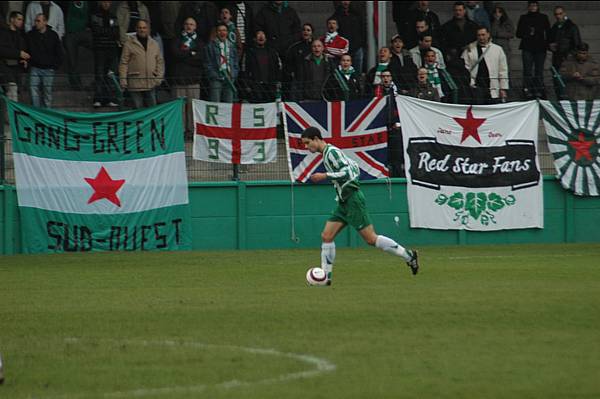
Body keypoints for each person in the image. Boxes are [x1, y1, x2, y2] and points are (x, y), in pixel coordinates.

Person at [300, 126, 420, 286]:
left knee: (371, 239)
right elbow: (355, 167)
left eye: (308, 143)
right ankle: (326, 278)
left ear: (316, 138)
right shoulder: (328, 154)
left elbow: (350, 172)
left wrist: (325, 175)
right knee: (326, 236)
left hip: (353, 200)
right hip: (344, 202)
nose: (307, 147)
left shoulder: (331, 153)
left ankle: (409, 256)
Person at [119, 19, 164, 108]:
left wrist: (159, 77)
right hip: (135, 81)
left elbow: (160, 61)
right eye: (139, 27)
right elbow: (124, 63)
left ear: (148, 29)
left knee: (153, 108)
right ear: (136, 29)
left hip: (151, 81)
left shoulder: (154, 43)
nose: (142, 30)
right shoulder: (129, 44)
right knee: (138, 108)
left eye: (144, 28)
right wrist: (123, 79)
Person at [170, 17, 204, 135]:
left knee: (192, 109)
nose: (189, 26)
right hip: (179, 79)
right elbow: (175, 55)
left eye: (191, 24)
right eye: (187, 24)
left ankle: (192, 132)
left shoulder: (199, 41)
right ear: (183, 26)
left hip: (193, 80)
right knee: (180, 109)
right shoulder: (176, 39)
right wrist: (191, 53)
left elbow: (200, 58)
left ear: (195, 27)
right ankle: (181, 131)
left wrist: (185, 55)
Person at [462, 26, 508, 104]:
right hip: (476, 86)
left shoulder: (497, 49)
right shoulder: (470, 49)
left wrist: (503, 88)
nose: (481, 37)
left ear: (488, 34)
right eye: (479, 35)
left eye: (483, 35)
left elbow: (503, 70)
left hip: (493, 86)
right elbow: (466, 67)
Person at [26, 13, 63, 108]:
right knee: (33, 91)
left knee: (47, 93)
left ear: (45, 22)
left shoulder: (53, 35)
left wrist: (55, 66)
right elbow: (27, 50)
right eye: (35, 21)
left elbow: (59, 51)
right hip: (35, 67)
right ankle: (36, 113)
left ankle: (46, 114)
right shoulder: (30, 35)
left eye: (38, 21)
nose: (36, 23)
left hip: (48, 68)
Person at [516, 0, 550, 99]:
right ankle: (527, 90)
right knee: (527, 70)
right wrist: (527, 32)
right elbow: (518, 33)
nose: (533, 7)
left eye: (535, 5)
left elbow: (548, 32)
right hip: (527, 47)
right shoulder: (524, 18)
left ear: (538, 6)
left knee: (539, 70)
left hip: (540, 47)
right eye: (531, 5)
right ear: (528, 7)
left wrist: (548, 44)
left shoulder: (543, 17)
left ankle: (539, 90)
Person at [90, 0, 119, 108]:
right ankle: (98, 98)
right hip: (99, 49)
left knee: (109, 74)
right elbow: (96, 31)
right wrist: (109, 31)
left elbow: (116, 32)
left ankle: (109, 99)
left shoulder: (113, 16)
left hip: (111, 49)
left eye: (108, 2)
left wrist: (105, 31)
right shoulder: (95, 15)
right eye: (104, 2)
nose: (106, 4)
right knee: (99, 74)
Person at [242, 30, 281, 103]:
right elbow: (244, 70)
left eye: (263, 34)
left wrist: (277, 82)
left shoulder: (272, 52)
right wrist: (247, 85)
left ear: (265, 38)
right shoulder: (249, 53)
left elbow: (278, 68)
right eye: (258, 35)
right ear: (255, 39)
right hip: (255, 86)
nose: (261, 36)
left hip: (270, 86)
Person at [205, 22, 239, 102]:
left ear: (227, 32)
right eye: (219, 30)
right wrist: (214, 75)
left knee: (228, 103)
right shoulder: (210, 46)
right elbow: (207, 63)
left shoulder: (232, 46)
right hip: (216, 78)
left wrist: (233, 74)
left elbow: (235, 63)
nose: (222, 32)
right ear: (216, 33)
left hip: (230, 78)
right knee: (215, 102)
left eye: (224, 30)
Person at [0, 11, 29, 102]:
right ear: (12, 19)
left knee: (14, 92)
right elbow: (2, 50)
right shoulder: (3, 33)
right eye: (19, 19)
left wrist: (23, 59)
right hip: (5, 67)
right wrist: (18, 54)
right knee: (12, 90)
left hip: (16, 68)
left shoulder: (20, 35)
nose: (21, 22)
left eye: (22, 20)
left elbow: (22, 50)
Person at [63, 1, 92, 89]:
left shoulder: (88, 4)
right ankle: (75, 83)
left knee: (99, 48)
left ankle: (99, 80)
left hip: (84, 32)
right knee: (72, 60)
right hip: (70, 33)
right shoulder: (67, 4)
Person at [330, 1, 365, 73]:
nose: (345, 2)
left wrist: (361, 43)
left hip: (357, 48)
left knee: (357, 74)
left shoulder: (357, 14)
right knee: (343, 74)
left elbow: (363, 29)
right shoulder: (336, 16)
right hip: (343, 50)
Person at [284, 22, 313, 101]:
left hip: (313, 81)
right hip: (298, 81)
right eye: (304, 30)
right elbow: (288, 64)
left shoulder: (316, 46)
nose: (305, 32)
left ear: (312, 33)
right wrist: (292, 73)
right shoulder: (294, 47)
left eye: (308, 30)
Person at [490, 5, 514, 70]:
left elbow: (511, 34)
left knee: (505, 66)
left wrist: (500, 34)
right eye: (495, 12)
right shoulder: (491, 22)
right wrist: (496, 21)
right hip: (494, 45)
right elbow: (492, 32)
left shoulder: (508, 21)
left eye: (499, 12)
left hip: (505, 46)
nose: (497, 14)